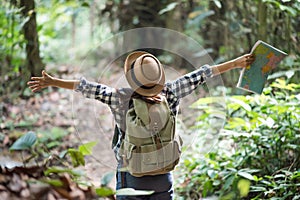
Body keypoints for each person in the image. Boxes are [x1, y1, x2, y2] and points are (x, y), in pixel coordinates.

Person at [27, 51, 254, 200]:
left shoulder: (119, 98)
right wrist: (236, 63)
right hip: (164, 175)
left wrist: (52, 81)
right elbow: (201, 75)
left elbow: (87, 87)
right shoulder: (171, 93)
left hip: (130, 175)